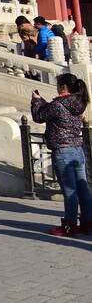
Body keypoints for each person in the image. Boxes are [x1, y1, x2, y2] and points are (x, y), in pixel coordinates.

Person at [31, 74, 92, 236]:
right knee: (83, 189)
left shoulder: (58, 105)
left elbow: (39, 116)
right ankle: (88, 222)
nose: (56, 87)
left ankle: (69, 225)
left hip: (63, 151)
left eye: (58, 85)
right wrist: (43, 101)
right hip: (78, 150)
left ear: (63, 86)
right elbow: (53, 112)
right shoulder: (78, 103)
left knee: (70, 191)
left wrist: (36, 101)